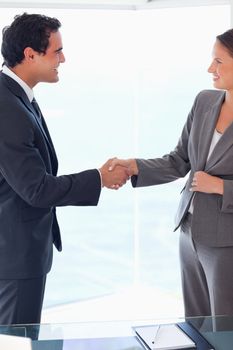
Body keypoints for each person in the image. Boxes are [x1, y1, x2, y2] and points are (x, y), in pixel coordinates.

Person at [0, 13, 129, 325]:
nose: (64, 59)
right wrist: (99, 178)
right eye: (57, 51)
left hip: (15, 253)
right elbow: (36, 189)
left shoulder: (16, 96)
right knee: (17, 342)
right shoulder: (7, 106)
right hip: (14, 258)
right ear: (30, 54)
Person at [110, 28, 233, 318]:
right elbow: (179, 160)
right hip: (189, 230)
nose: (209, 69)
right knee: (196, 321)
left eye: (218, 62)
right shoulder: (205, 101)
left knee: (225, 327)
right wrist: (134, 166)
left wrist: (220, 187)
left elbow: (209, 179)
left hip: (226, 241)